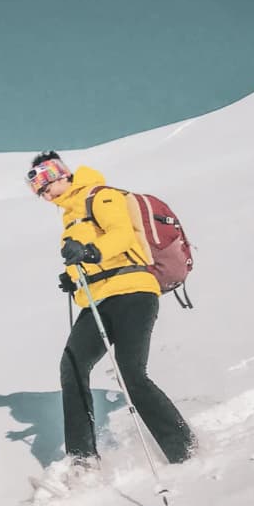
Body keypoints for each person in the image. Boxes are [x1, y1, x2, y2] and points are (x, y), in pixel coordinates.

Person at [27, 151, 196, 478]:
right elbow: (91, 256)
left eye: (45, 185)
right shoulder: (70, 216)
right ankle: (83, 461)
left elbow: (120, 234)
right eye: (38, 191)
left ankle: (184, 449)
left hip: (133, 290)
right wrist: (75, 276)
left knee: (132, 373)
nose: (44, 194)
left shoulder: (99, 197)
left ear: (61, 175)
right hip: (99, 299)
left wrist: (90, 252)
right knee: (73, 367)